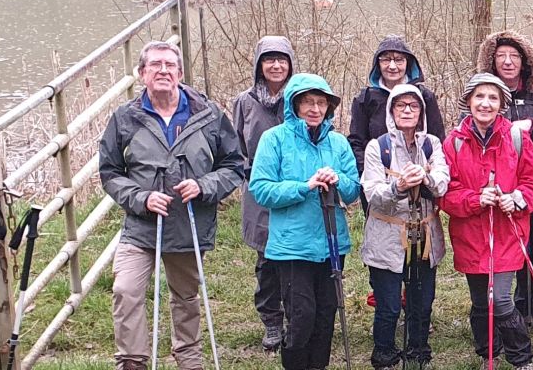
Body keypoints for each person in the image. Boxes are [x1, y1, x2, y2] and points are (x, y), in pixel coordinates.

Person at [99, 40, 248, 370]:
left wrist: (204, 185)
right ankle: (133, 362)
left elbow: (234, 165)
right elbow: (109, 171)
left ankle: (189, 359)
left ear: (180, 73)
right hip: (141, 226)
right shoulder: (125, 118)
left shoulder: (208, 115)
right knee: (126, 290)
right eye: (155, 65)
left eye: (169, 65)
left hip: (188, 223)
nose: (163, 70)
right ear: (142, 74)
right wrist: (140, 198)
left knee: (185, 297)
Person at [247, 73, 363, 369]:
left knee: (326, 313)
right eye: (308, 102)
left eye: (321, 102)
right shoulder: (274, 139)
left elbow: (353, 189)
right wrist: (304, 186)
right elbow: (261, 188)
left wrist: (338, 181)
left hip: (331, 241)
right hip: (292, 245)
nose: (314, 108)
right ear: (295, 105)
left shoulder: (337, 143)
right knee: (302, 317)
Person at [440, 74, 533, 370]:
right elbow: (446, 194)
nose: (485, 103)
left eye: (493, 98)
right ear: (469, 101)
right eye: (479, 97)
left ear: (501, 104)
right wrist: (475, 199)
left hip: (507, 233)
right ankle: (488, 351)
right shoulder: (454, 142)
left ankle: (522, 359)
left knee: (499, 299)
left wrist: (517, 198)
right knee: (480, 302)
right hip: (470, 235)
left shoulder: (516, 137)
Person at [357, 84, 451, 369]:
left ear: (422, 111)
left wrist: (425, 177)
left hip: (423, 234)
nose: (407, 110)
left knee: (422, 301)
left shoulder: (431, 144)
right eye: (401, 105)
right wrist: (398, 186)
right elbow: (371, 192)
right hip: (387, 235)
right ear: (391, 111)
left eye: (413, 105)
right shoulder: (378, 147)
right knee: (388, 304)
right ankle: (384, 353)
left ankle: (418, 350)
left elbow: (444, 181)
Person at [477, 30, 533, 329]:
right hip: (493, 180)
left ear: (524, 62)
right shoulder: (486, 92)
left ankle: (528, 306)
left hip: (528, 179)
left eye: (514, 57)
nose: (508, 62)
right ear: (492, 61)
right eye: (501, 57)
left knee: (531, 246)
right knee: (495, 246)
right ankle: (496, 307)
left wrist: (528, 125)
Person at [229, 35, 294, 351]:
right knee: (267, 259)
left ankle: (298, 316)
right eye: (270, 59)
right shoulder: (244, 102)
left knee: (295, 257)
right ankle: (272, 321)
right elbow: (236, 147)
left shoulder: (301, 97)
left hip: (296, 186)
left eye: (282, 59)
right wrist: (250, 176)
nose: (276, 65)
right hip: (259, 186)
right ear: (259, 64)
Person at [349, 35, 446, 175]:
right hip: (379, 179)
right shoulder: (366, 99)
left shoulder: (424, 96)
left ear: (409, 63)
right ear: (378, 64)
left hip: (421, 178)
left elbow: (437, 139)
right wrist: (369, 175)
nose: (392, 66)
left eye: (399, 60)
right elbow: (356, 142)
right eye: (386, 59)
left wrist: (431, 176)